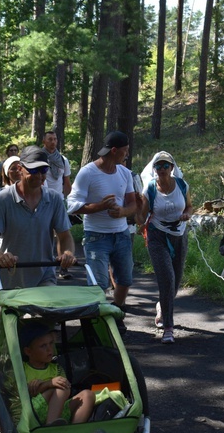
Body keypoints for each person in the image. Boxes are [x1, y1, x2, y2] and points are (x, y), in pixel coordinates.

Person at [67, 131, 138, 333]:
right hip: (96, 236)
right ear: (114, 151)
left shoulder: (124, 173)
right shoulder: (88, 173)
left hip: (122, 234)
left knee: (125, 279)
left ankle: (117, 311)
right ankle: (95, 322)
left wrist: (123, 211)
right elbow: (72, 205)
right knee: (98, 284)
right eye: (125, 150)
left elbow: (132, 203)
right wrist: (98, 207)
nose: (127, 154)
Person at [0, 146, 76, 288]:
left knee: (50, 308)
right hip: (9, 278)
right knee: (8, 310)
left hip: (44, 276)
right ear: (20, 169)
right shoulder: (3, 199)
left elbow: (65, 236)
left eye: (43, 170)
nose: (39, 175)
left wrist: (67, 253)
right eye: (34, 170)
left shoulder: (54, 199)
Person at [136, 151, 193, 344]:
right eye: (158, 166)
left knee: (175, 281)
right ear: (154, 170)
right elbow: (141, 217)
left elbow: (190, 206)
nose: (161, 169)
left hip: (179, 235)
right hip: (157, 236)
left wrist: (187, 214)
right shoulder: (150, 189)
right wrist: (136, 218)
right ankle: (168, 327)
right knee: (167, 279)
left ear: (172, 168)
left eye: (165, 166)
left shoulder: (182, 185)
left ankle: (163, 305)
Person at [19, 320, 95, 425]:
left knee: (88, 394)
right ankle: (50, 427)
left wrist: (45, 385)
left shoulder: (56, 368)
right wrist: (48, 384)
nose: (50, 349)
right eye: (43, 346)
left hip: (57, 411)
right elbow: (21, 394)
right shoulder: (23, 369)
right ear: (28, 351)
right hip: (33, 412)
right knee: (60, 387)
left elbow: (65, 391)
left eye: (51, 343)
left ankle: (74, 431)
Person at [41, 132, 71, 197]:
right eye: (50, 139)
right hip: (43, 199)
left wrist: (67, 200)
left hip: (59, 199)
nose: (53, 142)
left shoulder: (63, 160)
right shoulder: (39, 159)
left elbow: (67, 182)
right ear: (44, 141)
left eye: (55, 139)